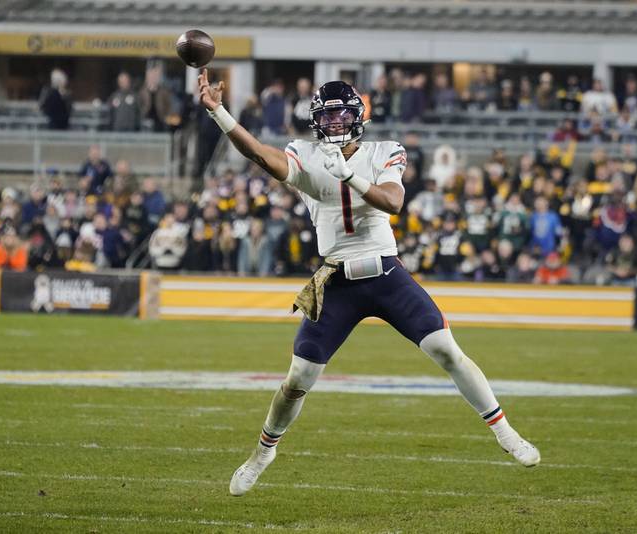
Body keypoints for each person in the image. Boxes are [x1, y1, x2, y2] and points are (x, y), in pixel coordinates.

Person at [197, 69, 540, 497]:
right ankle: (263, 452)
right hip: (336, 280)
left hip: (386, 274)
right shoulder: (304, 155)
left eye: (342, 114)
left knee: (446, 350)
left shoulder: (385, 151)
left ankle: (505, 432)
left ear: (358, 116)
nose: (334, 123)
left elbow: (394, 202)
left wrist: (350, 177)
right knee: (297, 379)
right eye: (327, 115)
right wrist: (218, 112)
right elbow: (260, 155)